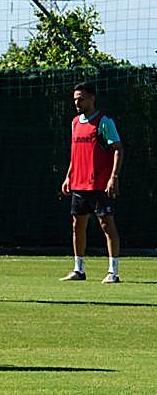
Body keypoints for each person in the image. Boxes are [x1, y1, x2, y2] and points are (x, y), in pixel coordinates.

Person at [60, 82, 123, 283]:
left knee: (107, 225)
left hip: (99, 185)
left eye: (81, 98)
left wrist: (113, 177)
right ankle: (79, 269)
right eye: (75, 99)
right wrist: (68, 176)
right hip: (79, 184)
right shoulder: (75, 122)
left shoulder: (104, 121)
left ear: (92, 98)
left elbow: (117, 149)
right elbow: (75, 153)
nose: (77, 102)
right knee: (77, 226)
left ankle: (113, 271)